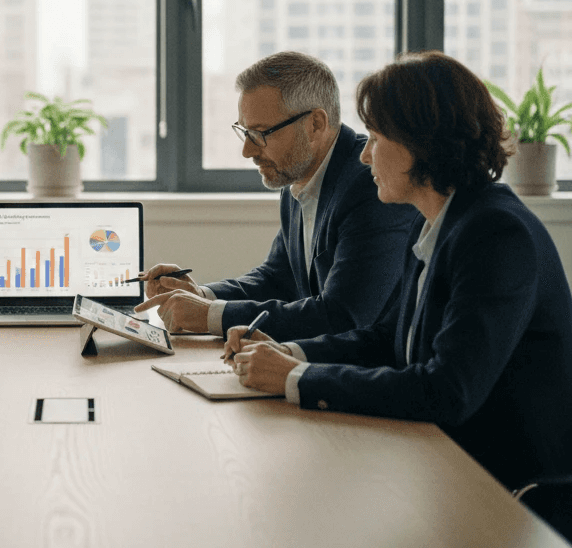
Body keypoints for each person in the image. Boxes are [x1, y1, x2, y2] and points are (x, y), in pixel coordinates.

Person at [226, 51, 572, 495]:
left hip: (514, 491)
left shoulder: (495, 234)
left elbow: (447, 390)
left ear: (422, 143)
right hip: (446, 463)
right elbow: (385, 340)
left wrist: (297, 378)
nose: (365, 156)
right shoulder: (438, 221)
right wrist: (289, 351)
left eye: (375, 137)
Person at [136, 51, 416, 339]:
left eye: (260, 133)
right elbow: (277, 278)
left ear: (315, 124)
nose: (247, 150)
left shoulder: (371, 185)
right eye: (244, 131)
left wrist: (210, 315)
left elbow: (343, 316)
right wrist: (201, 294)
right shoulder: (296, 176)